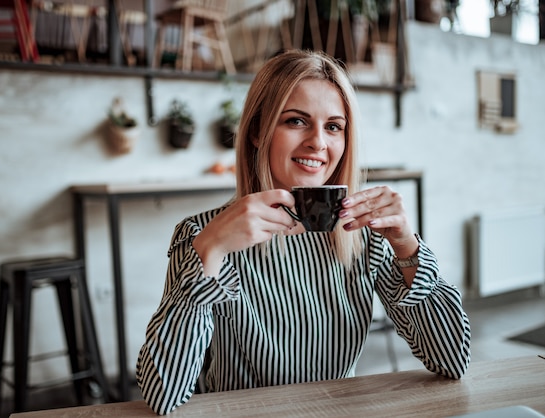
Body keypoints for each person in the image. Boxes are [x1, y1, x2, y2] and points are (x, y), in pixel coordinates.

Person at [136, 49, 471, 415]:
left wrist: (407, 246)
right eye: (296, 121)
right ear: (256, 133)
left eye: (333, 127)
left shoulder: (365, 237)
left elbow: (452, 360)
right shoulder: (202, 234)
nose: (318, 143)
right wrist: (210, 250)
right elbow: (163, 395)